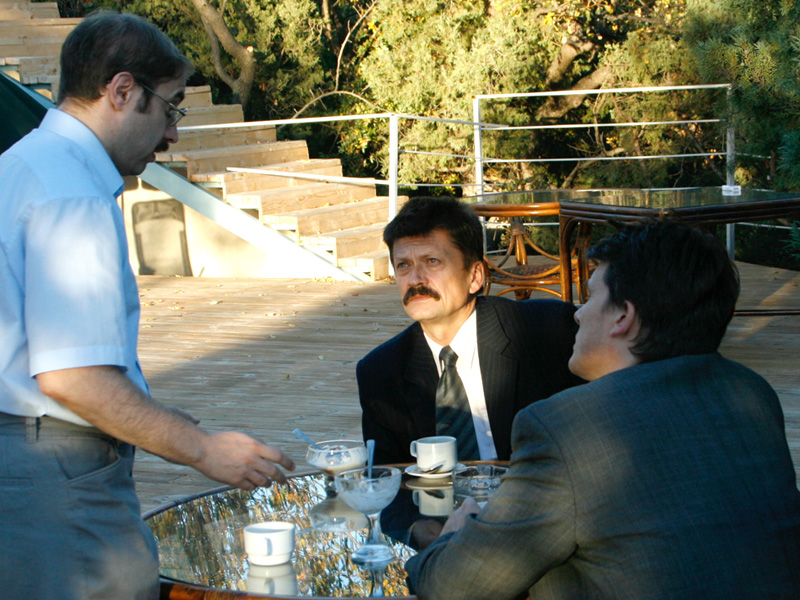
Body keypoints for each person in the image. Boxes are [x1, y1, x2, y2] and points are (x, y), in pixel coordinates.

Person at [0, 12, 294, 600]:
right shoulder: (73, 194)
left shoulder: (19, 164)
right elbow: (73, 377)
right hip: (60, 478)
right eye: (170, 107)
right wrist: (203, 450)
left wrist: (148, 414)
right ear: (121, 90)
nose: (172, 135)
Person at [405, 219, 800, 600]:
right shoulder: (752, 394)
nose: (577, 312)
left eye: (591, 296)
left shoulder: (568, 428)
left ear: (623, 317)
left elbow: (454, 588)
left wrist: (454, 532)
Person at [357, 196, 582, 466]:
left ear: (475, 276)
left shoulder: (546, 332)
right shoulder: (380, 372)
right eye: (403, 265)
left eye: (432, 261)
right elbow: (387, 477)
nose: (415, 279)